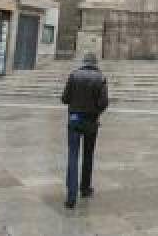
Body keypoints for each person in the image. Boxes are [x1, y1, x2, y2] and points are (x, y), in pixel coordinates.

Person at [60, 52, 109, 208]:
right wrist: (96, 112)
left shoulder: (74, 75)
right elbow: (104, 102)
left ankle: (71, 195)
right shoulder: (101, 78)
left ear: (84, 62)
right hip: (91, 122)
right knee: (88, 155)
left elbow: (64, 98)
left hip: (74, 120)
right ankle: (85, 188)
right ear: (96, 63)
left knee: (73, 156)